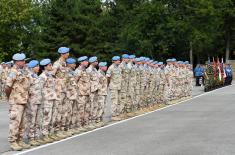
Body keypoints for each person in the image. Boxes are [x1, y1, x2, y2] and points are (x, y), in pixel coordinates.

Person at [6, 53, 31, 151]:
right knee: (15, 123)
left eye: (24, 60)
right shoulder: (13, 72)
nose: (24, 62)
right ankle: (13, 142)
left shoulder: (23, 71)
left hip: (23, 101)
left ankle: (19, 140)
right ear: (17, 62)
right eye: (23, 60)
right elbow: (7, 87)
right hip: (16, 102)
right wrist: (10, 98)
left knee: (22, 123)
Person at [39, 58, 58, 143]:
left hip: (53, 98)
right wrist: (44, 98)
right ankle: (44, 134)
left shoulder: (50, 75)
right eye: (50, 65)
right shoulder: (42, 77)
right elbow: (40, 89)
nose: (51, 66)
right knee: (46, 117)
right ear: (45, 67)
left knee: (52, 117)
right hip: (46, 100)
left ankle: (50, 133)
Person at [27, 60, 43, 146]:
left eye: (38, 66)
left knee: (37, 120)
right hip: (32, 101)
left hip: (38, 100)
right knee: (31, 120)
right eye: (36, 66)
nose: (38, 68)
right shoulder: (29, 76)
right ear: (32, 68)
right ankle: (31, 138)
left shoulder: (37, 76)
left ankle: (36, 136)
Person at [75, 56, 90, 131]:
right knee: (80, 110)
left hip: (87, 93)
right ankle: (79, 125)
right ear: (81, 62)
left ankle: (85, 124)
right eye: (86, 61)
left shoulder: (85, 70)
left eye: (87, 61)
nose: (87, 62)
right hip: (81, 94)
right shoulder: (78, 71)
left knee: (86, 109)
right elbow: (75, 82)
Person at [106, 56, 122, 121]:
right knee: (114, 101)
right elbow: (108, 77)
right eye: (118, 60)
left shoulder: (118, 67)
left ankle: (117, 113)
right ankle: (113, 115)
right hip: (113, 86)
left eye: (119, 60)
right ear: (114, 61)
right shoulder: (111, 68)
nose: (119, 61)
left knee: (118, 100)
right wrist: (108, 84)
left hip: (118, 86)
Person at [97, 62, 108, 127]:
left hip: (104, 92)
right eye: (104, 66)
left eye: (106, 65)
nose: (106, 67)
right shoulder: (98, 74)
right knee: (100, 106)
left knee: (104, 106)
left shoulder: (103, 73)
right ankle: (98, 120)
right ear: (100, 67)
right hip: (100, 92)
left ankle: (101, 119)